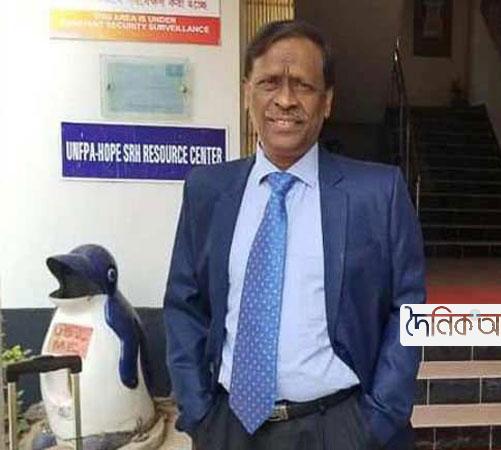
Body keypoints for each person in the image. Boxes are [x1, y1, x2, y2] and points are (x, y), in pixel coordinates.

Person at [163, 19, 426, 450]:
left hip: (339, 428)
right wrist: (199, 414)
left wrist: (377, 419)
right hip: (229, 429)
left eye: (302, 85)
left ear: (327, 101)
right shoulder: (207, 192)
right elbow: (183, 305)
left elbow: (410, 309)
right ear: (247, 92)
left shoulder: (379, 194)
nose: (285, 100)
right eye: (269, 82)